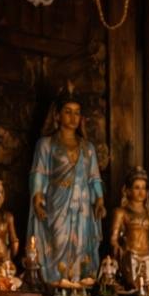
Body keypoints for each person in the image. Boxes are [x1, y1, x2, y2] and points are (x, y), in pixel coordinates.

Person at [27, 87, 105, 285]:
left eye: (77, 113)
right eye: (68, 112)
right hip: (57, 202)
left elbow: (94, 177)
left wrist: (99, 200)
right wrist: (37, 197)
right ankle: (56, 281)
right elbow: (39, 172)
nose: (72, 117)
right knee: (58, 241)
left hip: (83, 204)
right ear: (57, 115)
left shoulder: (88, 148)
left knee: (81, 242)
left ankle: (79, 280)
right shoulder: (46, 144)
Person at [109, 167, 149, 292]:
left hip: (148, 255)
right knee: (132, 288)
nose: (141, 192)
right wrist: (119, 251)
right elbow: (113, 238)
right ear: (127, 191)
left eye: (144, 188)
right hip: (130, 256)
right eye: (136, 187)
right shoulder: (121, 213)